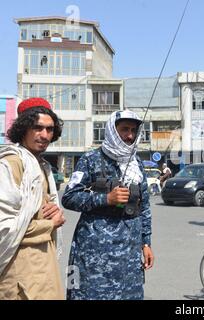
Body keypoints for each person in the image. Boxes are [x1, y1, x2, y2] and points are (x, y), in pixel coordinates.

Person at [62, 110, 154, 300]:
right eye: (124, 129)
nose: (129, 135)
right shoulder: (90, 159)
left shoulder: (136, 163)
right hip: (94, 253)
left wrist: (146, 243)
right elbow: (69, 197)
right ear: (112, 130)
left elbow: (144, 207)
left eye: (133, 130)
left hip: (129, 254)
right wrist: (105, 199)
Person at [0, 97, 65, 300]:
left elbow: (37, 211)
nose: (44, 135)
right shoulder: (12, 164)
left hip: (44, 268)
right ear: (23, 129)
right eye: (38, 127)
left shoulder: (41, 166)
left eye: (50, 129)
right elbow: (5, 227)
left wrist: (54, 212)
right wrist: (50, 224)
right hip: (20, 273)